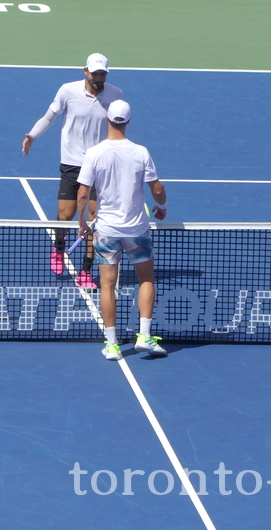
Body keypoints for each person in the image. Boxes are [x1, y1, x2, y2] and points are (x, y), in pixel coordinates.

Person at [22, 53, 123, 289]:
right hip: (72, 164)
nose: (99, 77)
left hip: (100, 165)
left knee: (95, 220)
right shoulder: (67, 91)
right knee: (65, 216)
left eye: (103, 73)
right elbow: (49, 118)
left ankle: (86, 271)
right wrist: (32, 136)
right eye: (95, 73)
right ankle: (58, 249)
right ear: (85, 71)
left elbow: (118, 127)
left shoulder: (116, 95)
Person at [76, 100, 168, 359]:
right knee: (146, 280)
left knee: (107, 286)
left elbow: (83, 193)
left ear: (108, 119)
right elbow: (157, 189)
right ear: (128, 121)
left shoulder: (94, 153)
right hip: (136, 230)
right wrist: (162, 207)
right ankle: (145, 337)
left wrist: (82, 223)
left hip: (106, 230)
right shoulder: (141, 152)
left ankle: (113, 344)